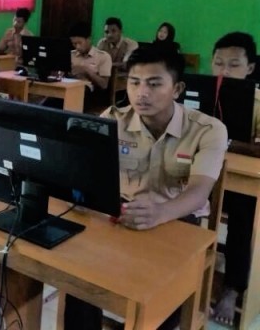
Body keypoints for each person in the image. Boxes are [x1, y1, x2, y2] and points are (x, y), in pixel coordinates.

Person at [64, 46, 228, 330]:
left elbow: (199, 192)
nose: (141, 93)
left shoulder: (207, 129)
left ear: (177, 89)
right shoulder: (114, 118)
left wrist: (161, 212)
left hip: (178, 218)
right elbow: (85, 167)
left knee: (165, 298)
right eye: (134, 82)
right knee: (78, 275)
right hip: (122, 211)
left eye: (154, 84)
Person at [210, 32, 260, 326]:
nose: (224, 71)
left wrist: (232, 145)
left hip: (242, 182)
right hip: (206, 174)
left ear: (250, 68)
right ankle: (183, 269)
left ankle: (232, 288)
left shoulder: (257, 101)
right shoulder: (203, 93)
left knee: (243, 215)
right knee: (173, 195)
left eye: (233, 65)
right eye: (218, 63)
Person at [68, 21, 112, 110]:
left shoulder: (103, 56)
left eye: (80, 43)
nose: (77, 47)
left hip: (91, 93)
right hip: (69, 87)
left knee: (75, 97)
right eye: (74, 44)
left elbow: (104, 85)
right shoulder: (70, 55)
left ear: (88, 39)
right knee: (50, 102)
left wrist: (86, 70)